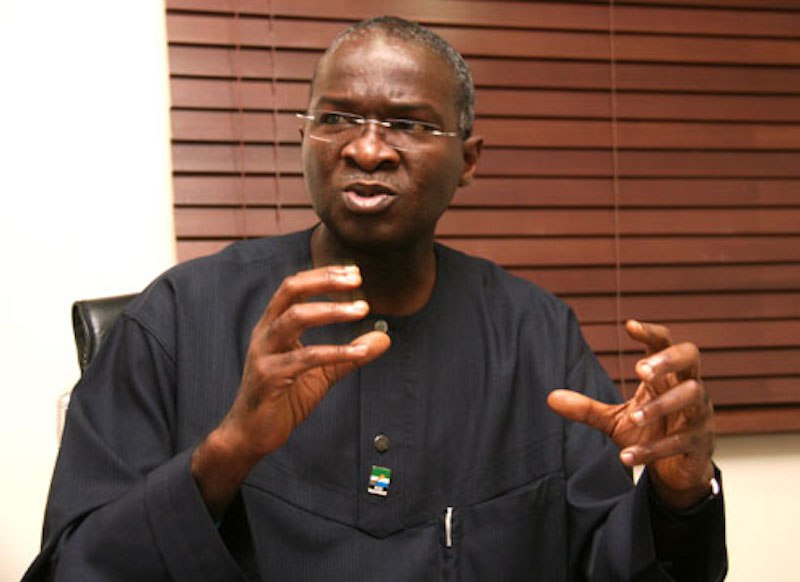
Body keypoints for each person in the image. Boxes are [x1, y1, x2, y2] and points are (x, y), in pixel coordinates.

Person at [25, 16, 726, 581]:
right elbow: (74, 567)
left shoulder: (534, 334)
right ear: (303, 137)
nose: (367, 150)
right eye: (337, 118)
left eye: (409, 125)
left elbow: (611, 562)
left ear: (469, 160)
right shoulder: (179, 319)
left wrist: (679, 491)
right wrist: (229, 450)